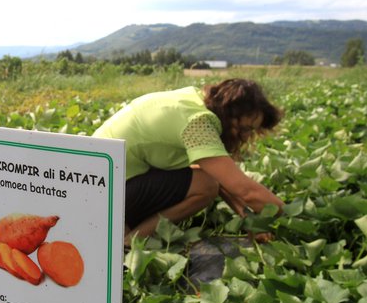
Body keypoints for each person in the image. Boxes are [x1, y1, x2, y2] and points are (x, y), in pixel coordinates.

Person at [92, 78, 285, 245]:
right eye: (244, 129)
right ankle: (128, 242)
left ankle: (122, 228)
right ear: (229, 113)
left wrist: (249, 219)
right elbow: (245, 191)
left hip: (94, 183)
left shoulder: (194, 99)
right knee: (205, 186)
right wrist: (292, 216)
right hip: (105, 193)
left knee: (203, 178)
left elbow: (219, 178)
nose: (245, 136)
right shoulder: (198, 123)